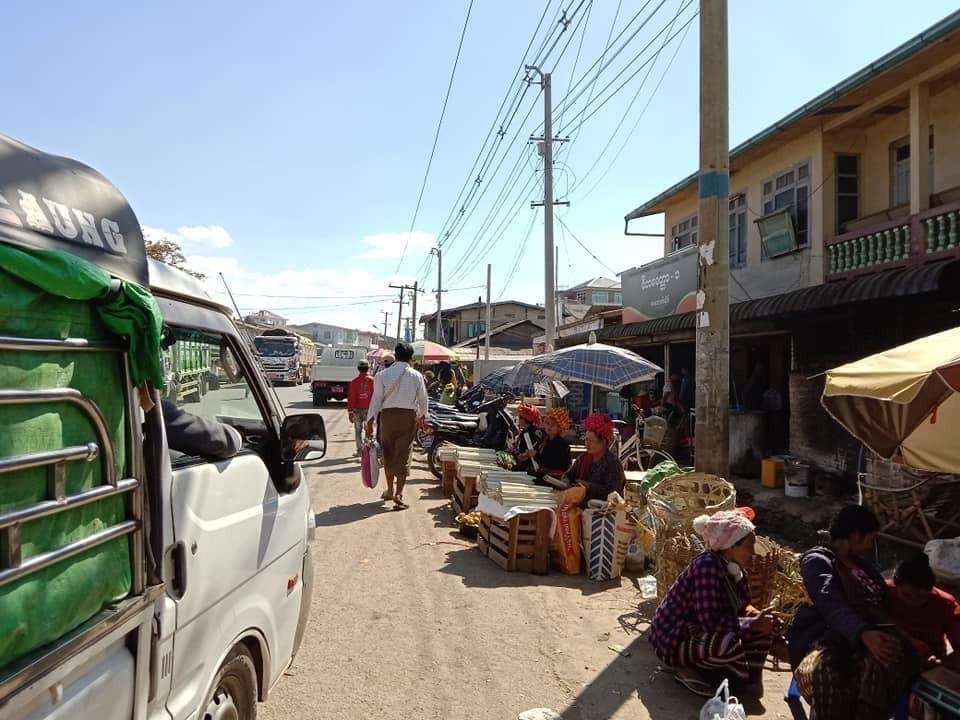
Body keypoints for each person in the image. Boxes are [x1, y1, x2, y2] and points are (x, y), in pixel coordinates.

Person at [788, 505, 919, 720]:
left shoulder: (864, 567)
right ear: (856, 536)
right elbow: (830, 603)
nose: (871, 545)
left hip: (872, 635)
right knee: (832, 676)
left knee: (894, 659)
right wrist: (863, 633)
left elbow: (884, 601)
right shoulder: (818, 561)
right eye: (870, 538)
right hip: (828, 637)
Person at [649, 510, 776, 701]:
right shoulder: (706, 566)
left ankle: (750, 681)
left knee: (763, 633)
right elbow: (711, 622)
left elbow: (744, 607)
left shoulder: (736, 570)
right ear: (731, 547)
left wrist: (760, 618)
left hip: (708, 632)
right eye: (749, 547)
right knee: (729, 643)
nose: (753, 553)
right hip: (677, 636)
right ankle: (692, 669)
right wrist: (752, 624)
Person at [365, 342, 428, 510]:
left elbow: (376, 399)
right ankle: (399, 494)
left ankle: (390, 490)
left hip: (387, 417)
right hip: (408, 418)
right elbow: (423, 400)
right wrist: (422, 416)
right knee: (404, 454)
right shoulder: (416, 376)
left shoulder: (382, 375)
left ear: (396, 356)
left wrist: (370, 421)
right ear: (411, 358)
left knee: (388, 452)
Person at [886, 553, 960, 667]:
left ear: (931, 590)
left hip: (931, 657)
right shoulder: (885, 591)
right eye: (906, 594)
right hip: (892, 647)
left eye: (920, 597)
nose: (912, 601)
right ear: (896, 585)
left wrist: (942, 663)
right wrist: (908, 640)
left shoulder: (945, 604)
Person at [561, 412, 625, 502]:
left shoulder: (613, 464)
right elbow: (569, 475)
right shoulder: (582, 458)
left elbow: (613, 493)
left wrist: (589, 487)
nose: (587, 444)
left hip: (602, 510)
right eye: (586, 439)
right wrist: (565, 481)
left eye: (591, 441)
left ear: (603, 442)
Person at [525, 407, 572, 482]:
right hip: (546, 476)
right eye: (547, 423)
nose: (549, 427)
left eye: (553, 425)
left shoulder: (560, 444)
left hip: (554, 479)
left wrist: (535, 455)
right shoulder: (546, 440)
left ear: (560, 428)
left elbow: (552, 462)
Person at [347, 360, 374, 457]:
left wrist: (350, 412)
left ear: (358, 369)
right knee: (369, 431)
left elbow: (351, 398)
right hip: (369, 410)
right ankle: (368, 451)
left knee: (358, 431)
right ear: (368, 368)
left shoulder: (354, 382)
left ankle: (359, 451)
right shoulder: (372, 381)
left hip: (357, 410)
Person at [510, 403, 543, 473]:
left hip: (528, 468)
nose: (519, 419)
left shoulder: (529, 433)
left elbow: (527, 453)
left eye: (520, 417)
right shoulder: (527, 431)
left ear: (525, 420)